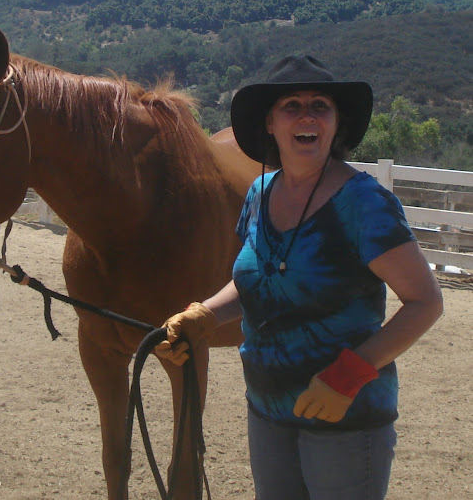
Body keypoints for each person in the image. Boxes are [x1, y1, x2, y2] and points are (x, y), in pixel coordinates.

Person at [155, 55, 443, 500]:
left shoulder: (365, 205)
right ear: (270, 123)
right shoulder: (259, 193)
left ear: (335, 123)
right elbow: (258, 280)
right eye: (292, 104)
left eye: (320, 105)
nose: (307, 115)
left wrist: (349, 376)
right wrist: (205, 316)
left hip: (344, 418)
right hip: (267, 410)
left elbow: (426, 302)